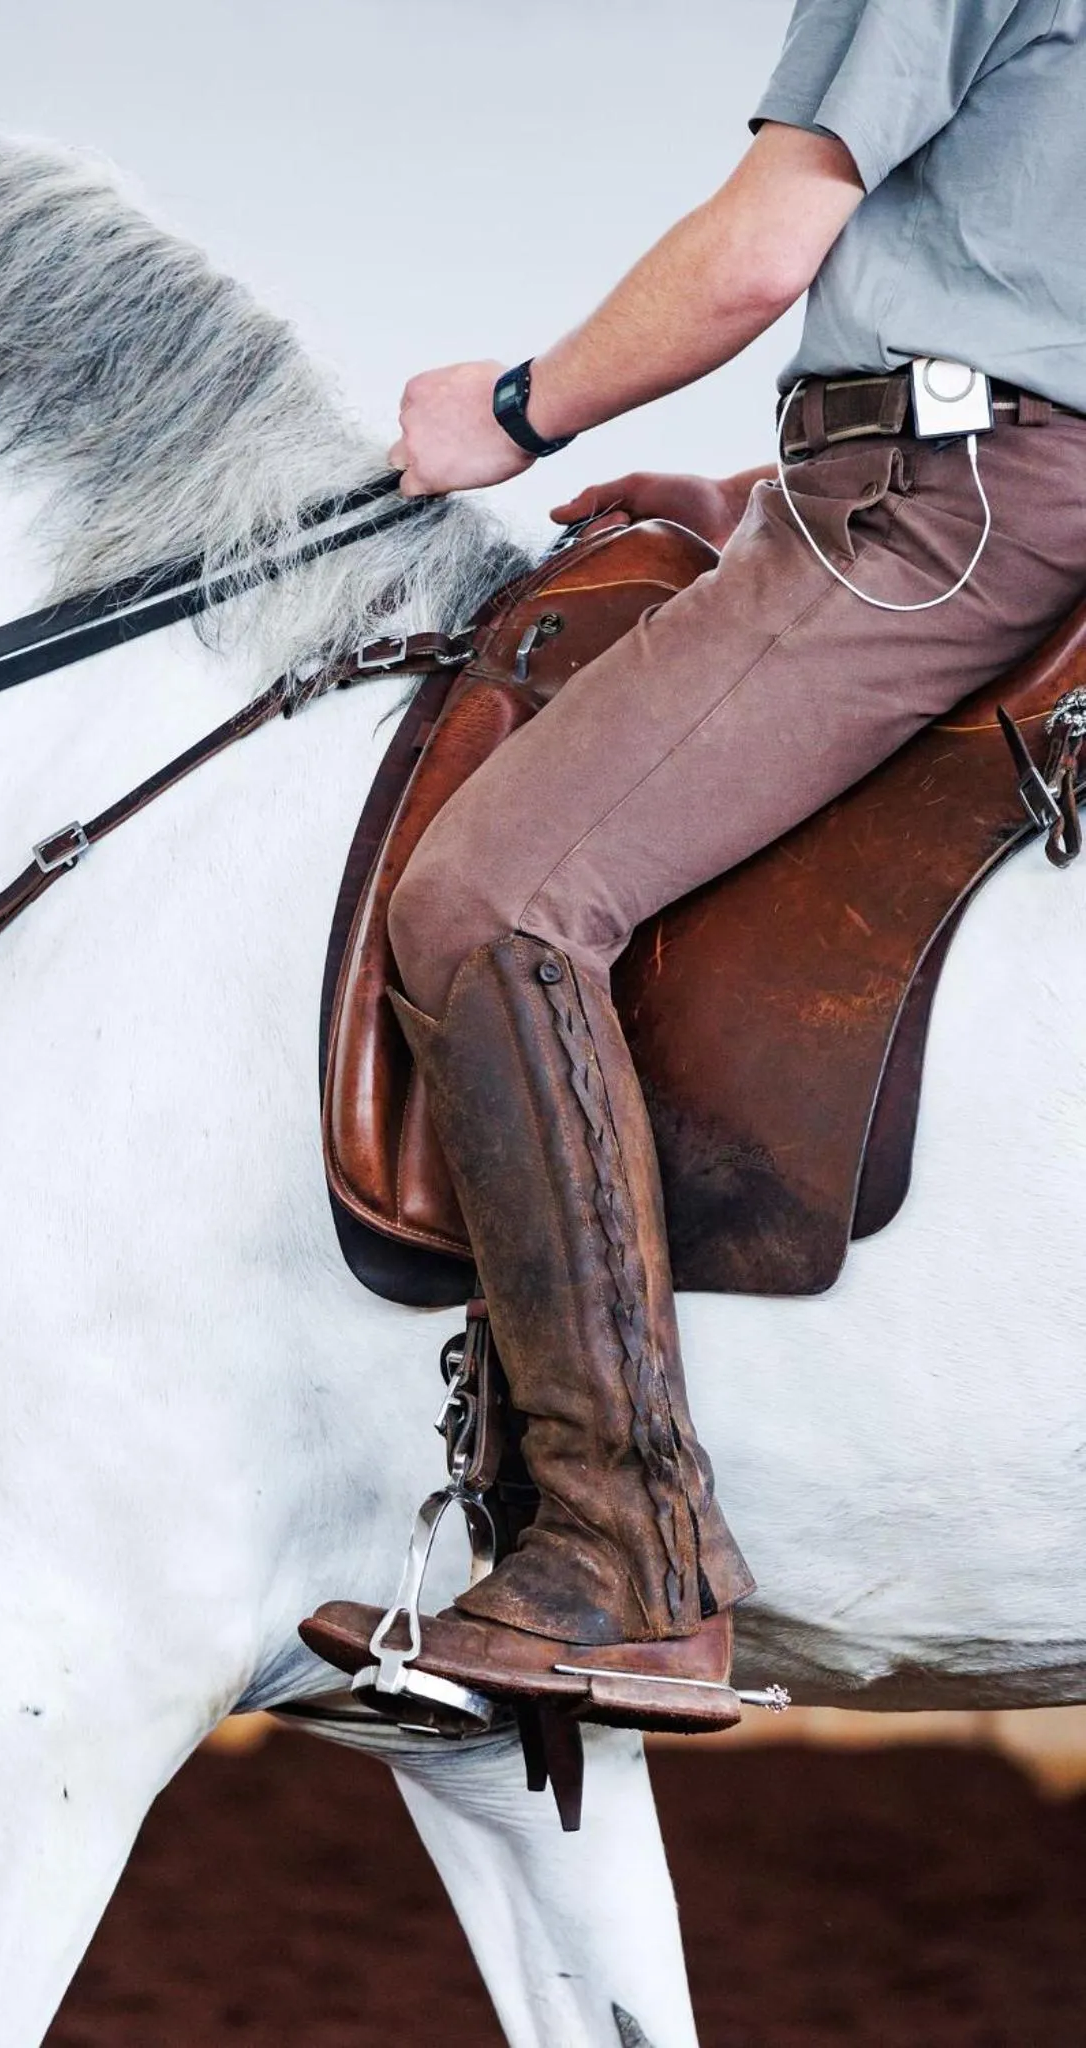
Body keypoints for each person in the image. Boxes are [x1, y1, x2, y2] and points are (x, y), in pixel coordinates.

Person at [304, 0, 1086, 1728]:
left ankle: (623, 1548)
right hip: (946, 480)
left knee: (488, 902)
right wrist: (773, 489)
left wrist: (514, 408)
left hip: (942, 500)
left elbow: (760, 254)